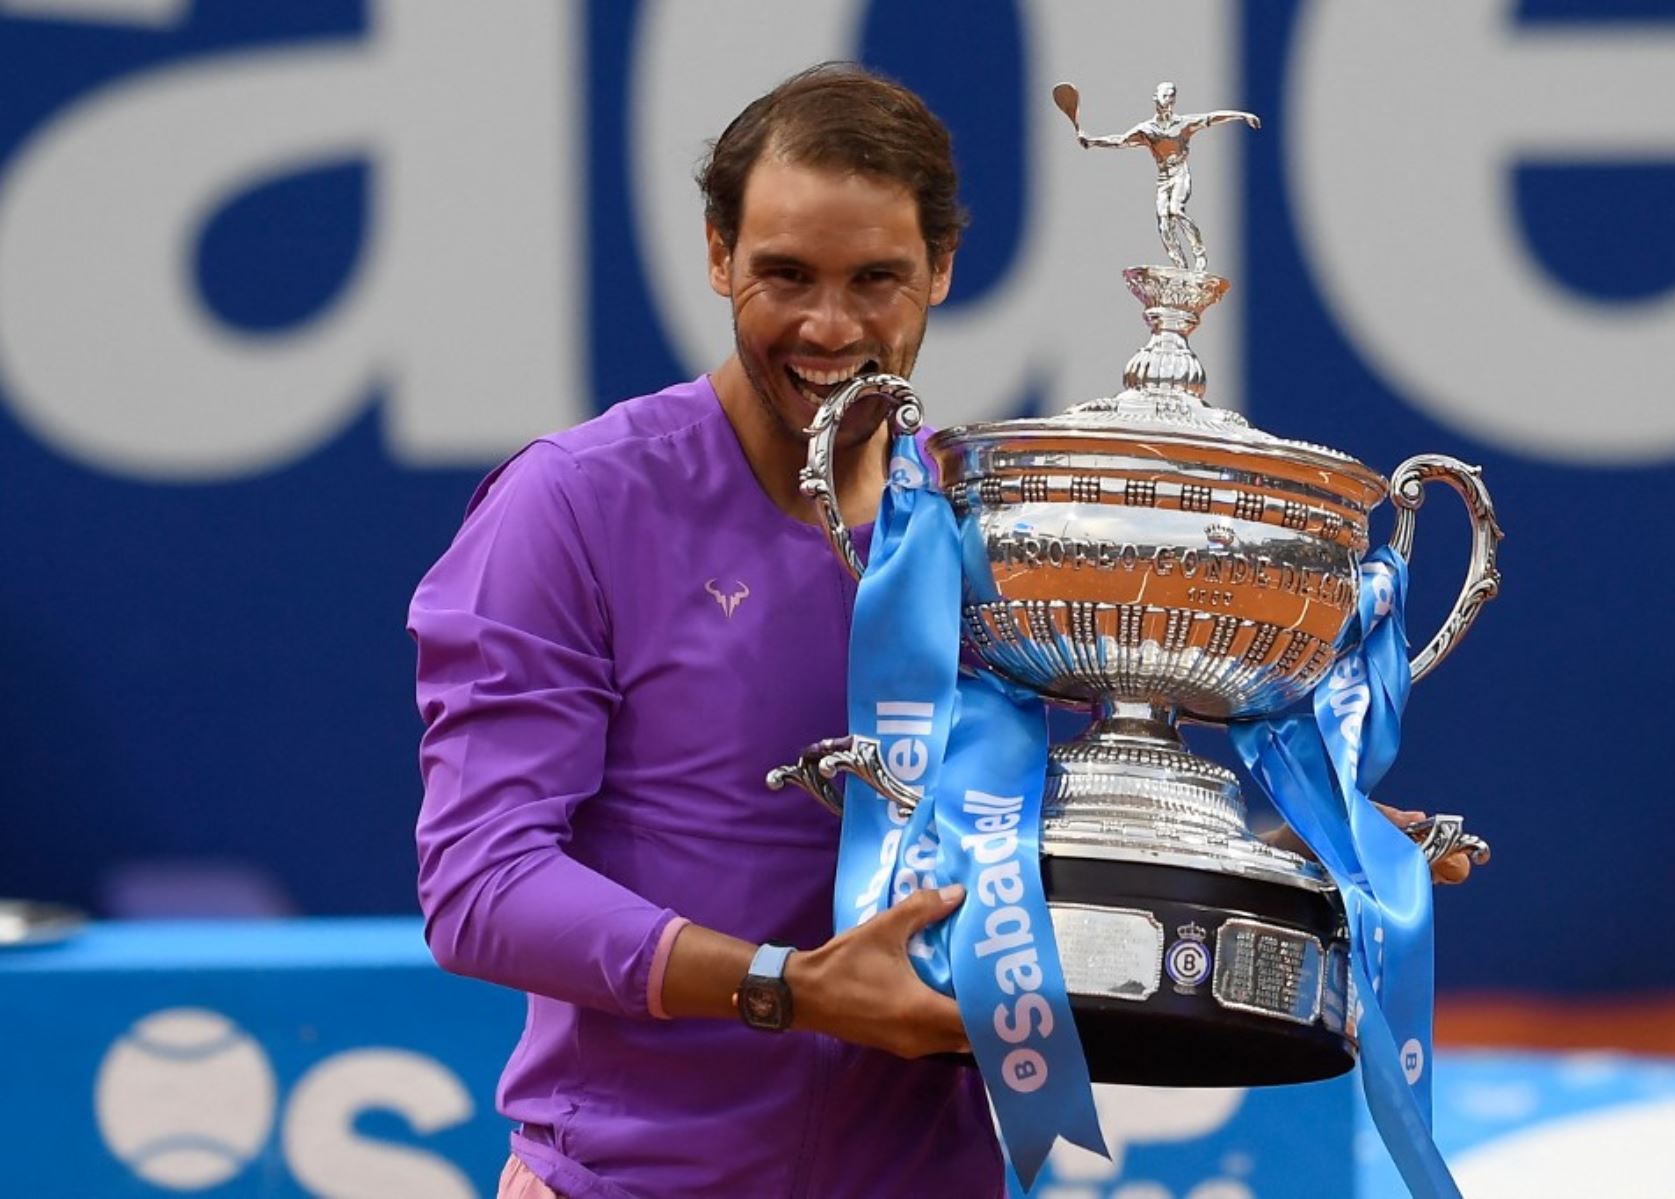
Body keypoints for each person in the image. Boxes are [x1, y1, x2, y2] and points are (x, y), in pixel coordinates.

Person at [410, 63, 1002, 1199]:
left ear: (940, 268)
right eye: (785, 274)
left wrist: (1281, 864)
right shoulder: (571, 505)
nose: (831, 326)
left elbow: (1039, 846)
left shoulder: (989, 529)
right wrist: (783, 984)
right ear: (719, 253)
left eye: (877, 278)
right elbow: (482, 884)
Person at [1075, 81, 1260, 272]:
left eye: (1172, 96)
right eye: (1166, 95)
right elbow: (1120, 141)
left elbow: (1211, 118)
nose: (1169, 100)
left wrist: (1242, 115)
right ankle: (1180, 266)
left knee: (1176, 210)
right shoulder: (1146, 129)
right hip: (1164, 178)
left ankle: (1199, 254)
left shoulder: (1183, 124)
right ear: (1156, 98)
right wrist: (1092, 141)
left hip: (1180, 173)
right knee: (1164, 222)